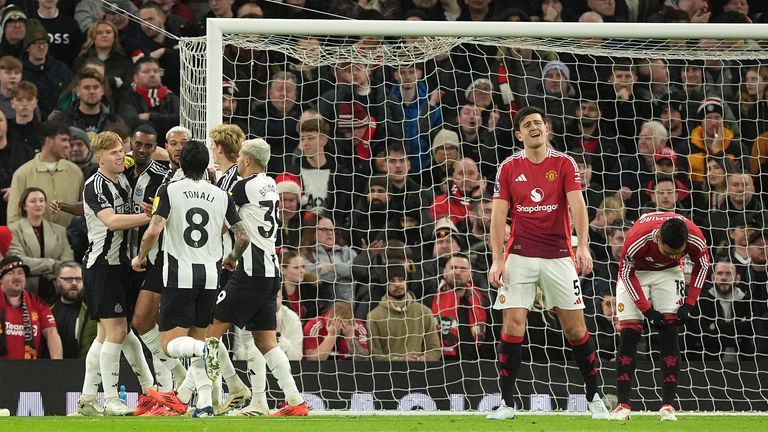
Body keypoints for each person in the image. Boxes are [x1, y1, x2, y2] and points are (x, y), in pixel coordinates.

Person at [487, 106, 609, 420]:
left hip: (558, 255)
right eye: (527, 125)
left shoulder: (565, 163)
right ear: (519, 135)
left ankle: (595, 398)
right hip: (520, 255)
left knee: (575, 327)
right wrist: (497, 259)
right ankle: (507, 403)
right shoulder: (509, 167)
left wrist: (583, 246)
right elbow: (499, 217)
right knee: (512, 323)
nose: (533, 128)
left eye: (538, 123)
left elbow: (578, 207)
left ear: (547, 129)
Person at [132, 140, 247, 418]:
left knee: (171, 345)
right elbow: (243, 235)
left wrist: (141, 257)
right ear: (206, 165)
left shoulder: (169, 189)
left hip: (179, 274)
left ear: (181, 164)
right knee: (199, 338)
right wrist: (231, 257)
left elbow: (154, 229)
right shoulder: (221, 195)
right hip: (210, 276)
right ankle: (206, 404)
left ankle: (205, 350)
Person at [200, 138, 307, 417]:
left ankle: (198, 399)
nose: (237, 162)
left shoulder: (242, 186)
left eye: (240, 159)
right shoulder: (270, 184)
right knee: (265, 341)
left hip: (248, 271)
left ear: (246, 160)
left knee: (210, 333)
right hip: (270, 271)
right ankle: (292, 401)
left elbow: (221, 221)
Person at [76, 131, 155, 417]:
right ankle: (111, 399)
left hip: (119, 265)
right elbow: (111, 221)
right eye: (113, 153)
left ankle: (86, 400)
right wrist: (151, 217)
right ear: (99, 159)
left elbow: (148, 153)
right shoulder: (95, 185)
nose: (120, 156)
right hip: (101, 266)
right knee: (118, 331)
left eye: (121, 150)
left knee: (105, 334)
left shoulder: (121, 174)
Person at [610, 212, 710, 422]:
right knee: (629, 334)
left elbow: (703, 266)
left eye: (678, 253)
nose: (674, 255)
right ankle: (623, 405)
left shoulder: (695, 238)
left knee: (670, 331)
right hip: (635, 273)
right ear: (658, 239)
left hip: (669, 273)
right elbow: (626, 273)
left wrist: (689, 304)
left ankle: (667, 406)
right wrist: (647, 311)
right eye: (669, 251)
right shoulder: (638, 239)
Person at [7, 120, 83, 227]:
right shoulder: (22, 174)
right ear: (49, 141)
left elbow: (84, 210)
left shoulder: (76, 172)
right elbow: (13, 218)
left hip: (71, 241)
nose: (67, 145)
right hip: (34, 241)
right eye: (63, 140)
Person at [8, 187, 74, 301]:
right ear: (24, 206)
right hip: (26, 289)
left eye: (41, 200)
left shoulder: (60, 230)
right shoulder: (13, 230)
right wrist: (51, 264)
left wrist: (38, 265)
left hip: (56, 289)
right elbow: (18, 261)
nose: (38, 204)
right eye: (33, 201)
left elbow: (68, 263)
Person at [367, 262, 442, 361]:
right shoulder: (374, 316)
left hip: (421, 372)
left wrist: (421, 359)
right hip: (388, 374)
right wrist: (401, 360)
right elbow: (374, 356)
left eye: (401, 279)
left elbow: (435, 350)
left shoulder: (424, 312)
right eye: (392, 281)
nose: (397, 284)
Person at [0, 255, 62, 359]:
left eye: (20, 273)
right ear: (1, 279)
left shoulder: (37, 303)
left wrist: (58, 366)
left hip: (29, 370)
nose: (16, 277)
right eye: (10, 273)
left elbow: (51, 332)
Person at [50, 261, 97, 359]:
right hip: (53, 368)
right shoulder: (48, 309)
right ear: (58, 281)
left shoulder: (94, 310)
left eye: (79, 279)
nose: (74, 283)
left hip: (83, 367)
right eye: (68, 279)